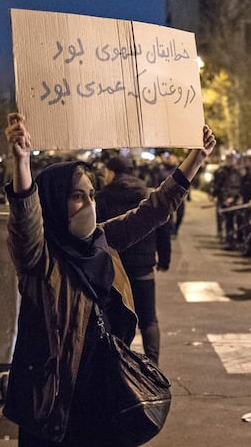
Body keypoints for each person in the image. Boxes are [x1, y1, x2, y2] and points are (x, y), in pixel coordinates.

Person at [2, 113, 215, 446]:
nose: (89, 203)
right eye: (77, 196)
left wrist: (195, 159)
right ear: (54, 202)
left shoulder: (103, 240)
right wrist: (22, 163)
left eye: (91, 194)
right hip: (53, 406)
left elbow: (155, 209)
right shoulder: (39, 259)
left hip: (103, 396)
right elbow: (25, 220)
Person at [95, 155, 173, 364]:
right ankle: (153, 365)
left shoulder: (102, 197)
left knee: (118, 319)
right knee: (148, 319)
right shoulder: (146, 194)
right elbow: (163, 228)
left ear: (111, 172)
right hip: (143, 266)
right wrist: (164, 258)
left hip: (115, 268)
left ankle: (119, 366)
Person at [211, 150, 242, 249]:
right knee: (227, 220)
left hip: (235, 201)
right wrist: (217, 195)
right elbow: (219, 186)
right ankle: (229, 240)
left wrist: (235, 197)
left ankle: (237, 241)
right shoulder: (222, 172)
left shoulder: (239, 173)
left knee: (237, 221)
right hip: (224, 199)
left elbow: (241, 187)